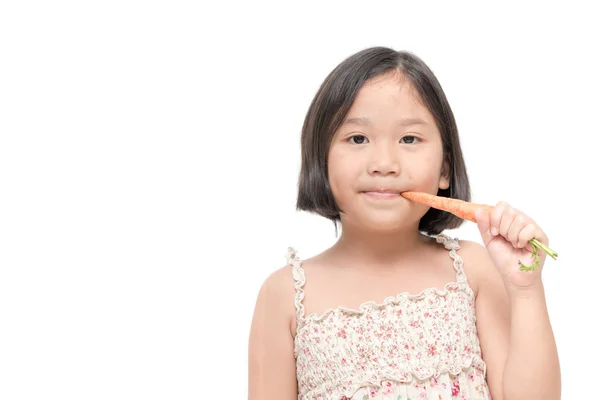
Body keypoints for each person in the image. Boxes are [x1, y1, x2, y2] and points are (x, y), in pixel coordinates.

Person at [248, 47, 561, 400]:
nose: (384, 163)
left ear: (444, 168)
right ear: (320, 161)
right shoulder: (284, 296)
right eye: (358, 139)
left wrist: (525, 289)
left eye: (409, 139)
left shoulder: (474, 271)